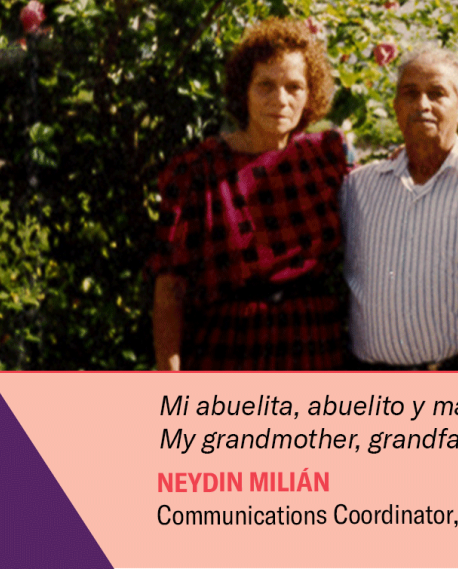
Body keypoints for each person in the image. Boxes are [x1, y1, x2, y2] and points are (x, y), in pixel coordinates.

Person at [148, 18, 349, 370]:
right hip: (230, 351)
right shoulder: (198, 170)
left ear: (311, 93)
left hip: (313, 349)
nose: (280, 100)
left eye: (294, 87)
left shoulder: (325, 158)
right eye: (265, 85)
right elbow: (170, 288)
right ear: (244, 89)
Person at [341, 45, 458, 370]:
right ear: (396, 108)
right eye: (410, 94)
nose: (422, 104)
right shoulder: (358, 189)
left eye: (437, 93)